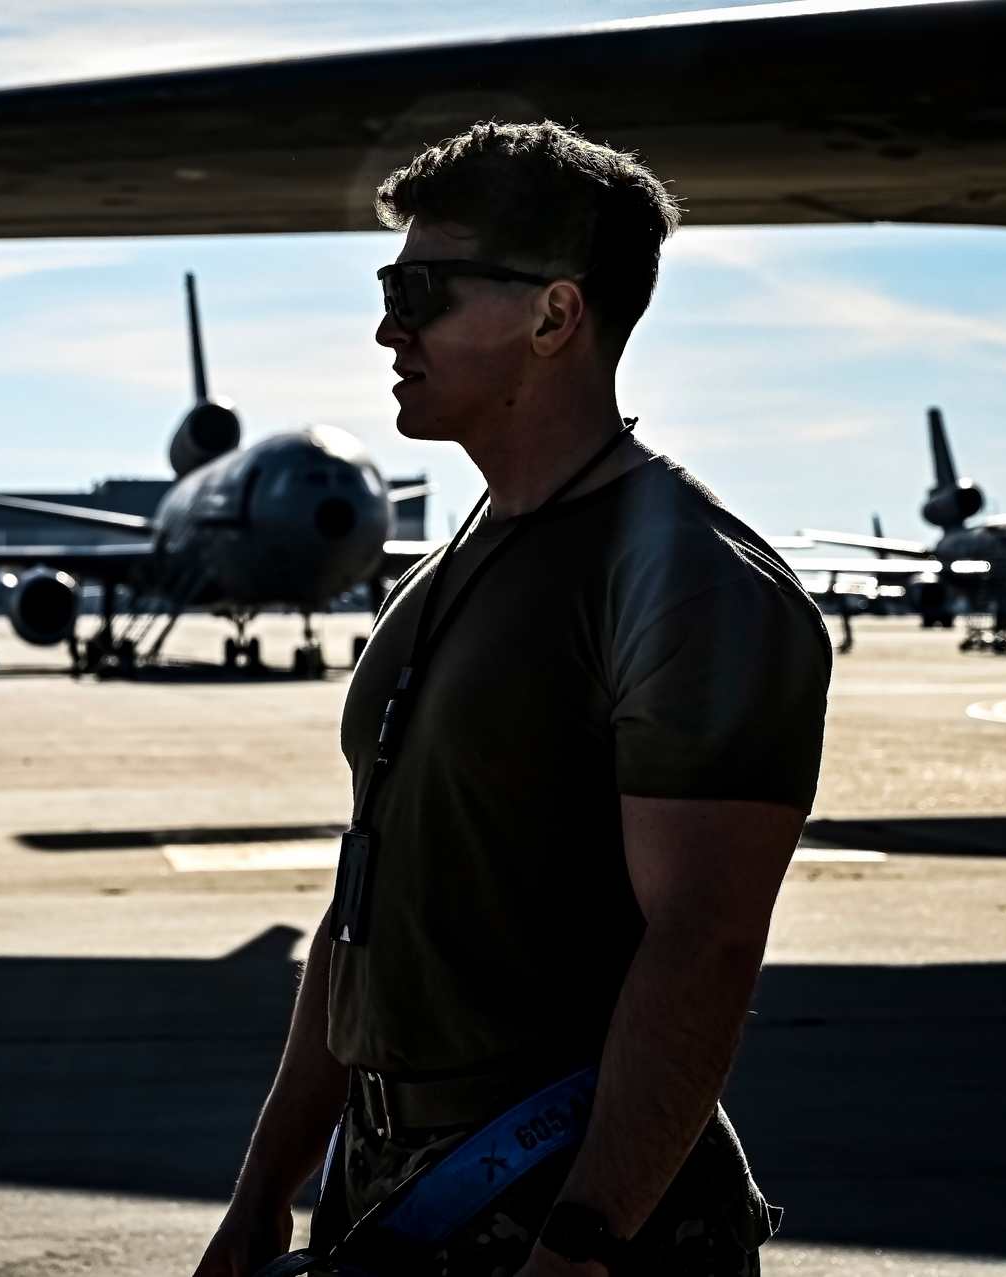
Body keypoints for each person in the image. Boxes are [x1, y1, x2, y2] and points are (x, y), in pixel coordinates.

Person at [193, 121, 832, 1277]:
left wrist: (581, 1245)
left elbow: (708, 940)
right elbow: (361, 910)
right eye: (391, 285)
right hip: (394, 1182)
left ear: (554, 316)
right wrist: (264, 1193)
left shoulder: (689, 581)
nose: (390, 326)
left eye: (423, 289)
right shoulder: (457, 564)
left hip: (568, 1200)